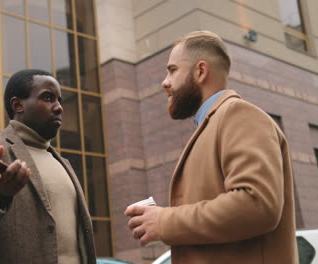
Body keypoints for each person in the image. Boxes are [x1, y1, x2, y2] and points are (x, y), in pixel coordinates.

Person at [125, 31, 297, 263]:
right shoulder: (214, 124)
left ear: (201, 71)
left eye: (173, 70)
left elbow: (257, 205)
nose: (165, 82)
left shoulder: (238, 114)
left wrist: (165, 221)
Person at [0, 69, 96, 264]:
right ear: (18, 104)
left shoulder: (63, 163)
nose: (59, 107)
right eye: (48, 98)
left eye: (60, 100)